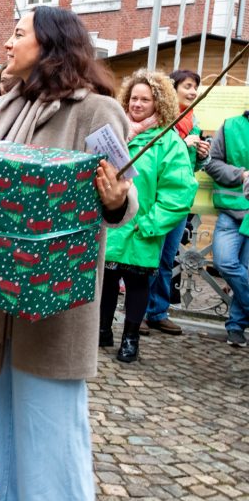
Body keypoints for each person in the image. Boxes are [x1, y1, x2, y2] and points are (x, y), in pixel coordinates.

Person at [0, 6, 138, 501]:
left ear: (52, 44)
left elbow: (124, 199)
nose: (6, 42)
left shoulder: (98, 111)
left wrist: (114, 198)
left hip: (55, 293)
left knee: (48, 400)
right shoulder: (3, 104)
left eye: (17, 34)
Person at [100, 70, 196, 363]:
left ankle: (131, 338)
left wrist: (149, 224)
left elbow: (178, 192)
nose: (137, 104)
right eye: (133, 98)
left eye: (145, 99)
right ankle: (102, 330)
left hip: (142, 229)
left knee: (137, 285)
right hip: (111, 225)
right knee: (106, 281)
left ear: (159, 103)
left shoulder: (167, 142)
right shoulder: (115, 133)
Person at [144, 69, 210, 335]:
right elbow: (155, 158)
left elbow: (191, 167)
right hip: (158, 200)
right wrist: (183, 143)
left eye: (195, 87)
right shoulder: (160, 121)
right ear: (173, 89)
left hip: (180, 203)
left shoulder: (193, 123)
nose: (193, 91)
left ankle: (158, 311)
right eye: (188, 86)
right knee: (150, 256)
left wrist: (202, 155)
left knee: (168, 259)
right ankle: (137, 313)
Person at [204, 110, 249, 347]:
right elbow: (211, 162)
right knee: (224, 262)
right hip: (232, 210)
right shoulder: (231, 125)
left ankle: (236, 326)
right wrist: (240, 175)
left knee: (247, 269)